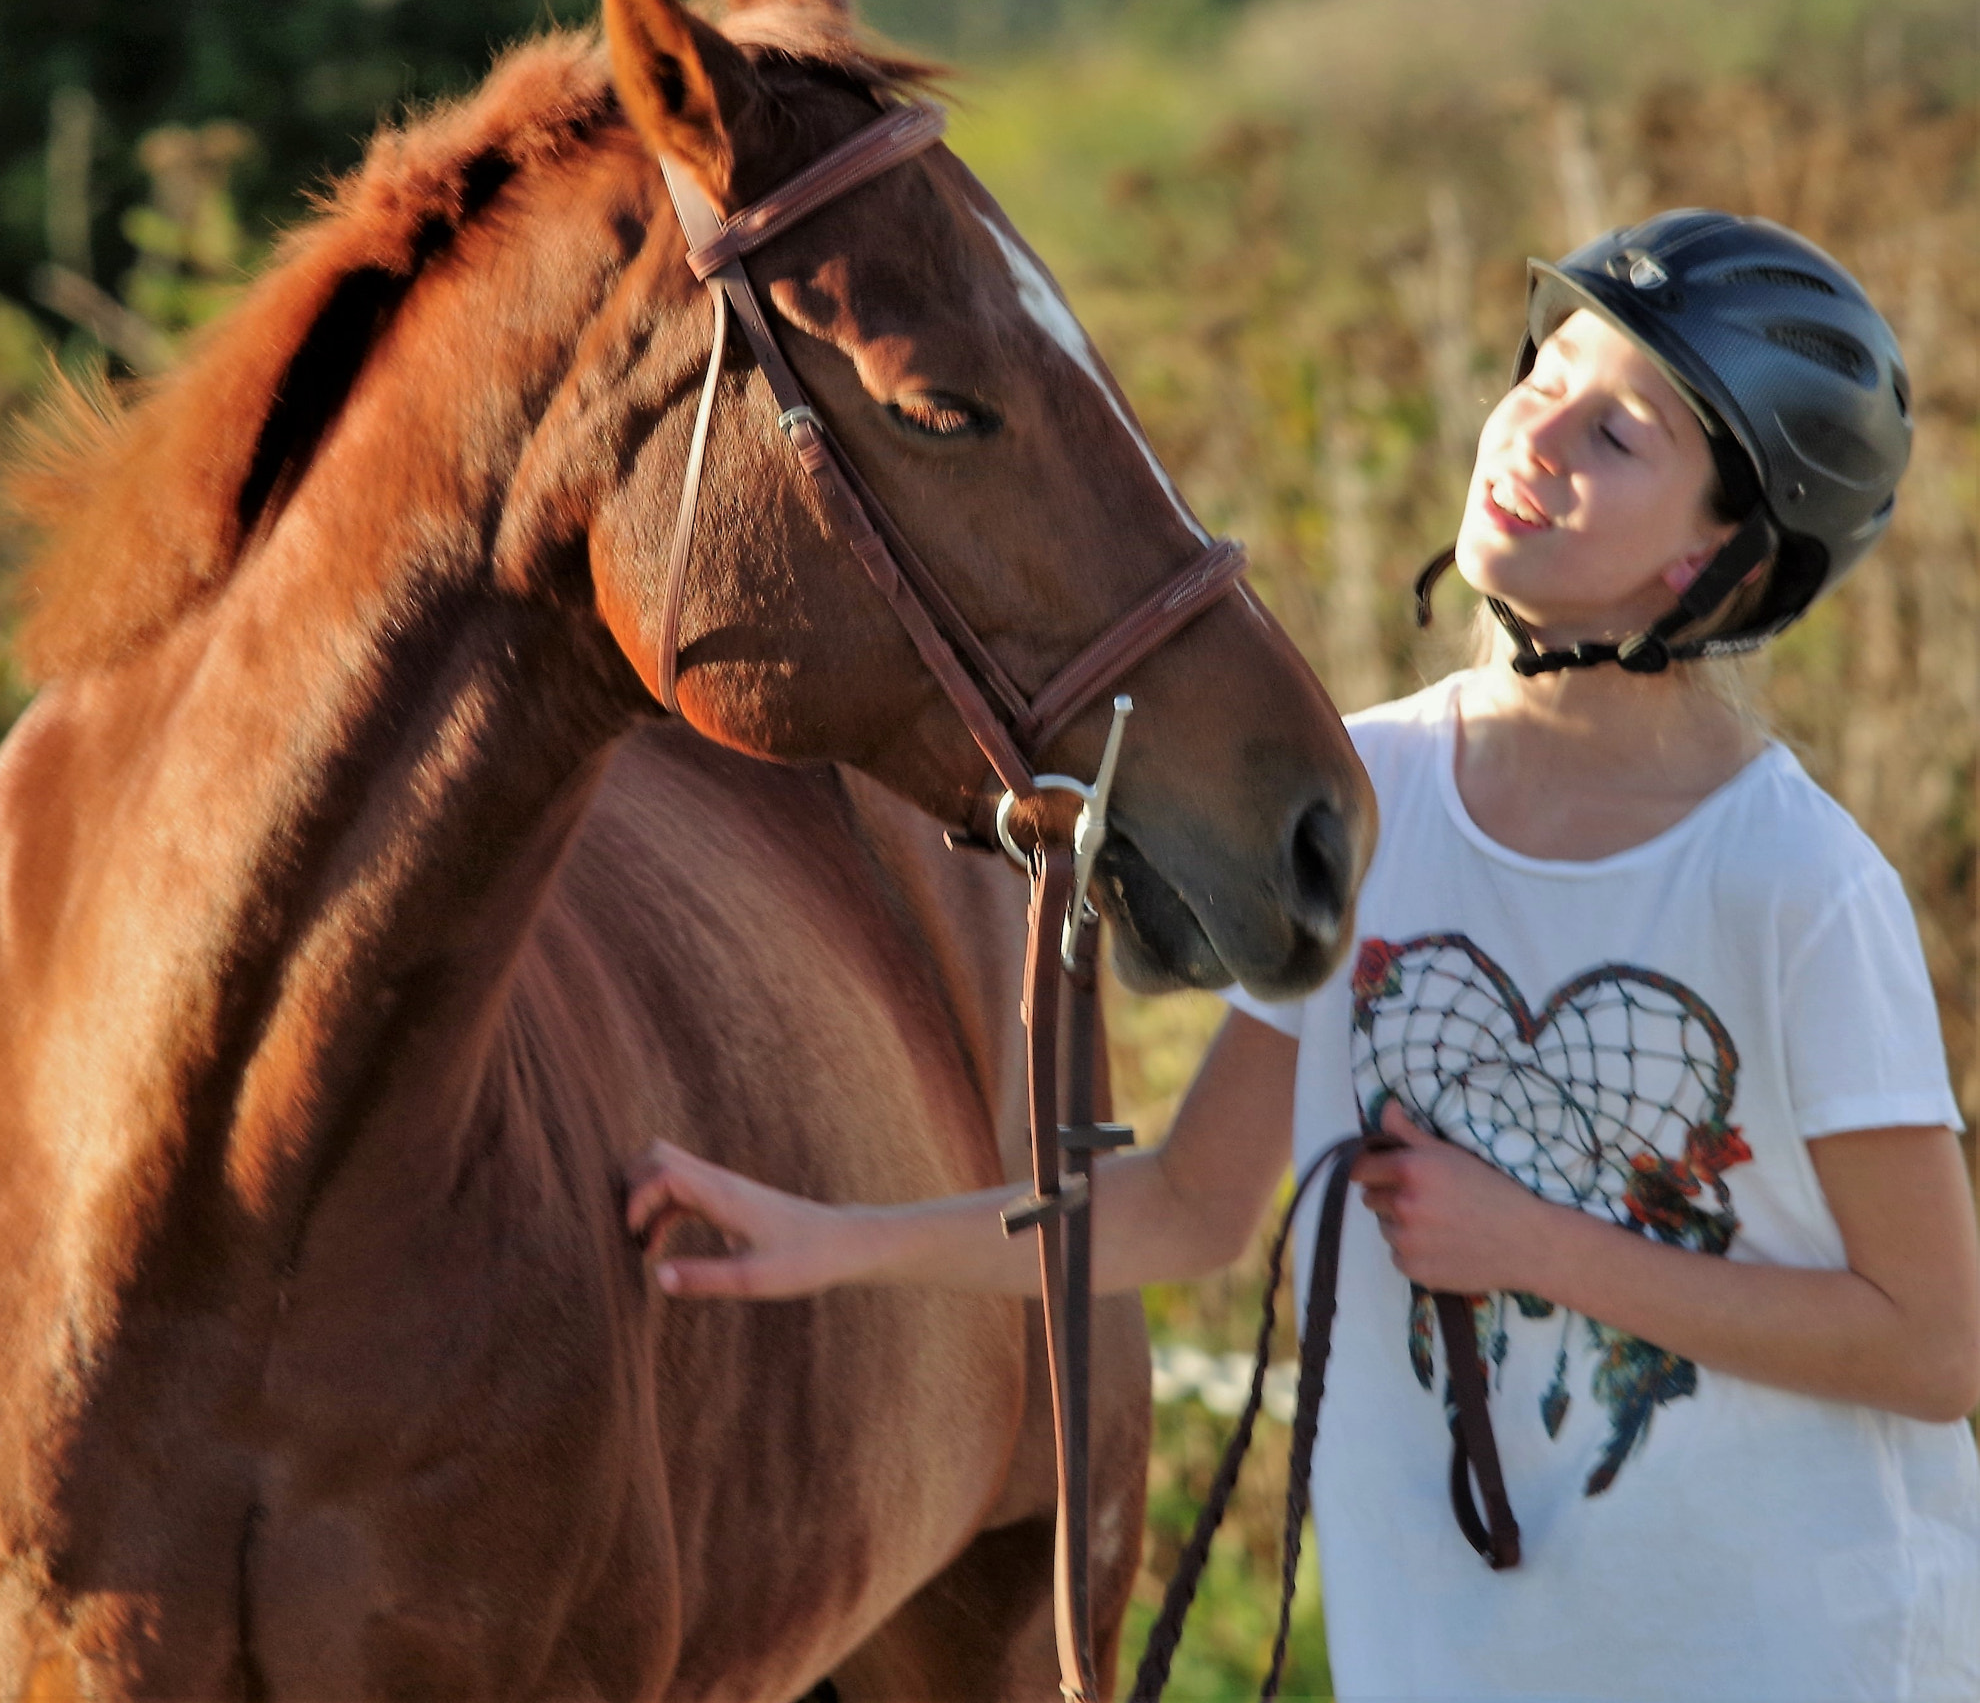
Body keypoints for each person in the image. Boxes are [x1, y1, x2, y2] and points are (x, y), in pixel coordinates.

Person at [624, 211, 1980, 1703]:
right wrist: (834, 1243)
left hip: (1797, 1656)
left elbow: (1934, 1345)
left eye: (1619, 435)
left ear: (1712, 564)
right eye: (1546, 379)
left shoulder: (1790, 881)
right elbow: (1193, 1210)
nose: (1536, 434)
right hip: (1455, 1658)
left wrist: (1537, 1248)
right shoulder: (1368, 796)